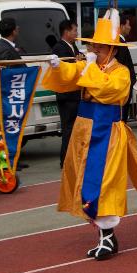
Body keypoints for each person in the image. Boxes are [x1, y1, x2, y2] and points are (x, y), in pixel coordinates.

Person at [44, 9, 137, 259]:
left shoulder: (120, 72)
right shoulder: (89, 66)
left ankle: (108, 237)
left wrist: (87, 67)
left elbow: (108, 91)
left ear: (113, 50)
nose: (96, 49)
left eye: (102, 46)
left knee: (104, 184)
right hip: (84, 131)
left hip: (107, 133)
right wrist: (57, 67)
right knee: (84, 181)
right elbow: (71, 76)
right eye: (95, 45)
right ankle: (103, 236)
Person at [51, 19, 82, 166]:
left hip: (75, 93)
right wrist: (77, 62)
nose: (77, 33)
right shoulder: (59, 48)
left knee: (75, 128)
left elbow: (78, 58)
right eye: (75, 30)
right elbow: (65, 68)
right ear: (67, 32)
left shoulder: (72, 46)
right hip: (66, 95)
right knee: (68, 128)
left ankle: (73, 158)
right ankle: (65, 160)